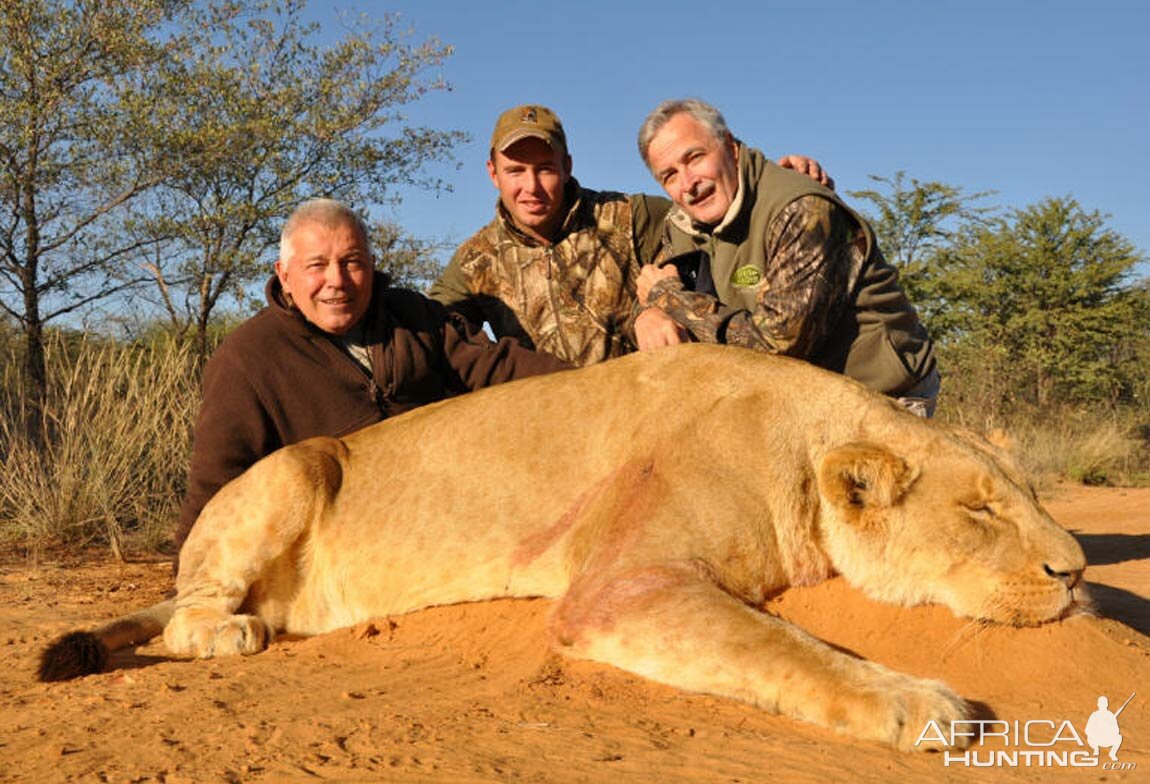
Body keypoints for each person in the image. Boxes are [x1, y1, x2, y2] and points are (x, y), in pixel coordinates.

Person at [174, 198, 570, 554]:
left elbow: (499, 367)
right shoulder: (246, 358)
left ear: (371, 264)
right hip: (342, 553)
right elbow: (216, 484)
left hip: (447, 521)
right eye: (317, 265)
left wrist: (598, 385)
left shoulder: (414, 316)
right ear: (284, 275)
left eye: (352, 262)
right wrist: (191, 575)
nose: (337, 281)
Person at [429, 104, 832, 367]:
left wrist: (776, 179)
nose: (531, 186)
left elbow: (710, 213)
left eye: (545, 168)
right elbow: (429, 325)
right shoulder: (475, 259)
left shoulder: (630, 214)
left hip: (638, 412)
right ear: (492, 173)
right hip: (548, 425)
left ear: (567, 166)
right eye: (516, 171)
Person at [634, 98, 939, 415]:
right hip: (798, 398)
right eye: (669, 175)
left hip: (880, 394)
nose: (688, 184)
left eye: (695, 158)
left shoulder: (801, 209)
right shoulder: (681, 223)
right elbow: (653, 282)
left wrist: (670, 300)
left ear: (730, 146)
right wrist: (649, 312)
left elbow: (777, 348)